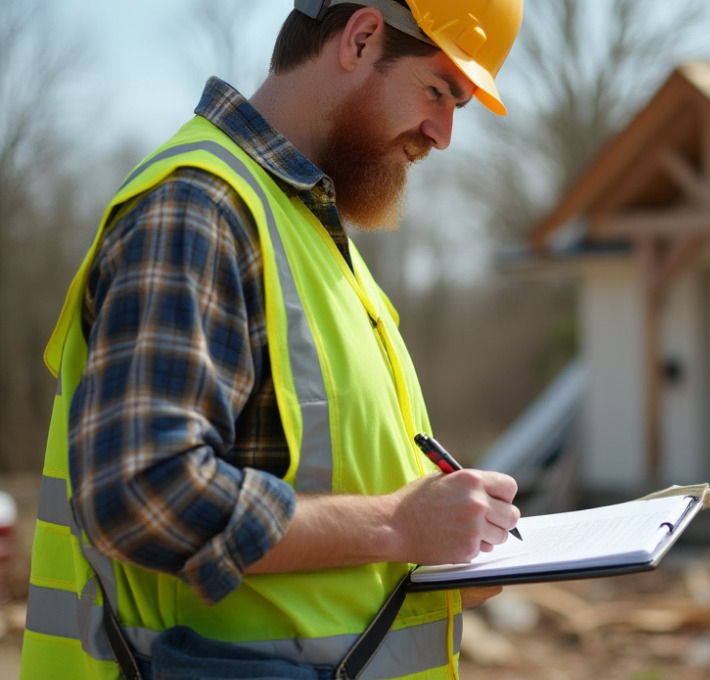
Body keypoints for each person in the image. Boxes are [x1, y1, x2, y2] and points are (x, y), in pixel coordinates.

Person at [21, 1, 523, 678]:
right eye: (438, 90)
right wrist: (397, 526)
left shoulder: (308, 234)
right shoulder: (197, 210)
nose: (443, 132)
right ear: (362, 37)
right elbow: (143, 493)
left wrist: (431, 552)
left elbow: (320, 534)